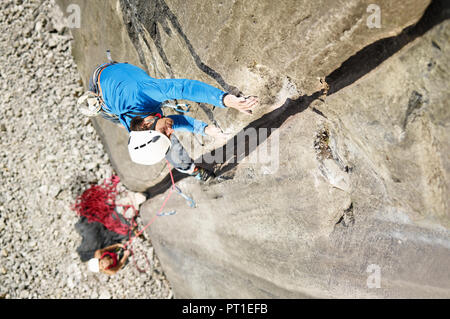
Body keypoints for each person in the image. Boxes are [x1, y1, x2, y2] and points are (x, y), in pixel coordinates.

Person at [78, 61, 258, 181]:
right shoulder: (139, 127)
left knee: (167, 139)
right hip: (107, 99)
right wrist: (205, 129)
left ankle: (189, 169)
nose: (171, 132)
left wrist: (227, 100)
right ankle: (191, 170)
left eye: (165, 133)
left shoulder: (142, 92)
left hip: (110, 88)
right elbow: (171, 122)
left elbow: (184, 88)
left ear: (146, 124)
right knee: (165, 141)